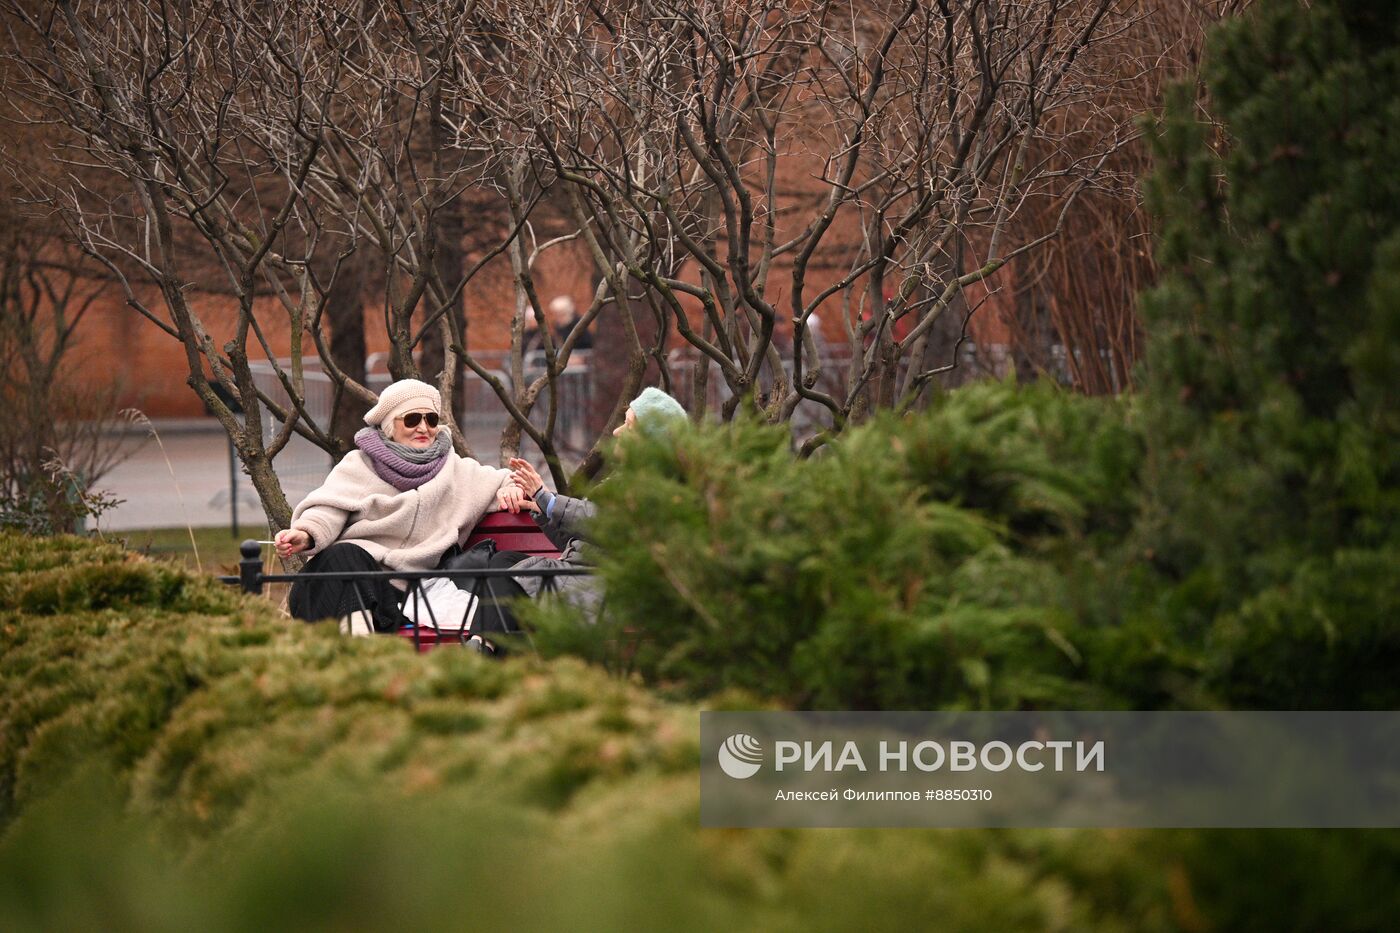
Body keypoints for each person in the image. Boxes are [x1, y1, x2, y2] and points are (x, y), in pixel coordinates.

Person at [273, 378, 527, 635]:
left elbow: (512, 480)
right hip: (345, 579)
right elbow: (327, 508)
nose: (423, 427)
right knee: (345, 557)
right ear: (389, 426)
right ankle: (362, 652)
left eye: (430, 419)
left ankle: (359, 661)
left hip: (405, 597)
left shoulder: (457, 472)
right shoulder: (359, 464)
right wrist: (305, 534)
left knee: (348, 567)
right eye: (411, 419)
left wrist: (513, 488)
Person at [497, 388, 687, 612]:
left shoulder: (654, 489)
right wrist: (543, 510)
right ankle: (482, 645)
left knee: (509, 578)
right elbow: (579, 546)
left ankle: (481, 646)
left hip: (601, 593)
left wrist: (547, 499)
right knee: (502, 563)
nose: (617, 431)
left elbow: (604, 523)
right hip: (583, 580)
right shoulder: (624, 480)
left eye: (628, 425)